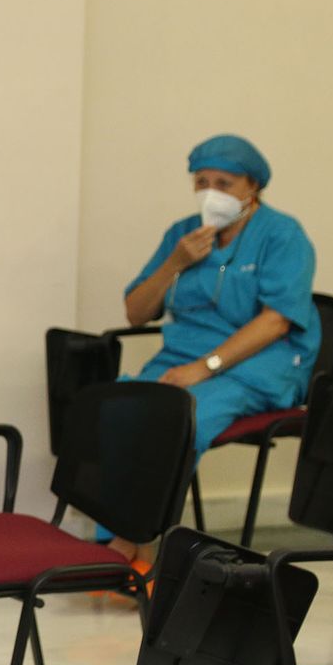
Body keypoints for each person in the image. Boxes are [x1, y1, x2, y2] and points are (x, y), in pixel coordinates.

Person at [112, 135, 319, 558]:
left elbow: (277, 319)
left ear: (252, 187)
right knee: (122, 408)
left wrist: (205, 367)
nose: (211, 192)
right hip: (182, 357)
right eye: (202, 181)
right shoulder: (183, 234)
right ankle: (120, 539)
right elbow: (135, 312)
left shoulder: (282, 235)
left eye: (224, 183)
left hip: (260, 364)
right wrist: (175, 262)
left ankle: (138, 546)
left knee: (181, 418)